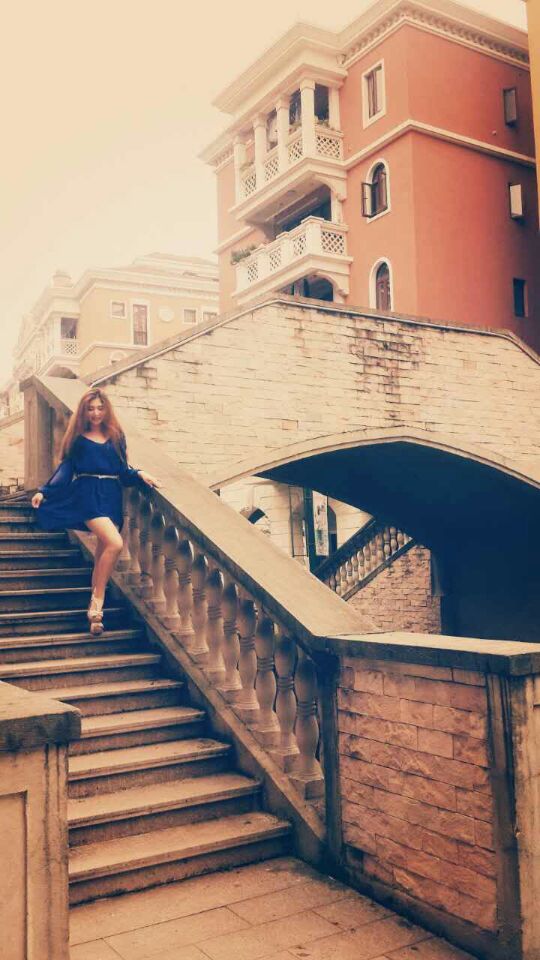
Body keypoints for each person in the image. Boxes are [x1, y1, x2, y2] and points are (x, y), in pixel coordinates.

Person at [31, 388, 159, 635]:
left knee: (103, 554)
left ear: (106, 409)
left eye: (100, 408)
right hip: (87, 495)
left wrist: (140, 473)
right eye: (90, 409)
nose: (96, 413)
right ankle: (97, 604)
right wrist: (44, 492)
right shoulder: (78, 439)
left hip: (112, 496)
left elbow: (123, 471)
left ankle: (94, 618)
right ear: (84, 411)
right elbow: (66, 470)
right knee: (115, 543)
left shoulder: (116, 437)